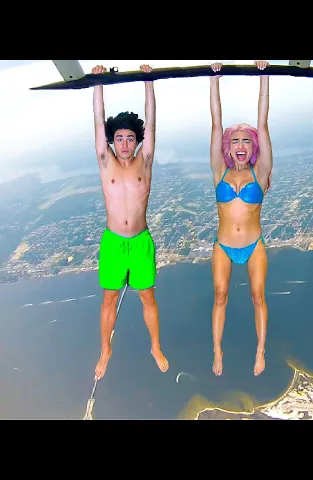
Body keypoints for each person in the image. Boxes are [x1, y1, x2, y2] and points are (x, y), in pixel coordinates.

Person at [91, 63, 169, 379]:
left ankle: (155, 346)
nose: (124, 144)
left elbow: (152, 121)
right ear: (113, 140)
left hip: (140, 242)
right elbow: (98, 121)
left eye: (130, 138)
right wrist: (98, 84)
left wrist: (149, 83)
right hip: (113, 243)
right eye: (119, 138)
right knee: (108, 299)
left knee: (148, 296)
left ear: (138, 141)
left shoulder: (144, 162)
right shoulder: (105, 161)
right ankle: (105, 349)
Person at [209, 60, 273, 377]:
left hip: (253, 244)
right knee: (220, 297)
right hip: (223, 245)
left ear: (253, 146)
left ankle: (260, 351)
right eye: (235, 141)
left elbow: (263, 123)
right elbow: (215, 123)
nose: (240, 145)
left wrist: (264, 76)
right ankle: (217, 352)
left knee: (258, 297)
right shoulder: (219, 171)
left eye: (246, 140)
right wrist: (214, 79)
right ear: (228, 147)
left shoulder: (260, 173)